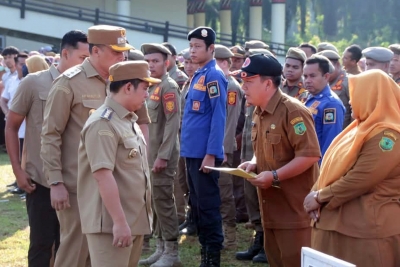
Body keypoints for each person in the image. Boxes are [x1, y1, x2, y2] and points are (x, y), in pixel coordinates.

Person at [40, 25, 150, 267]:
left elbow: (142, 124)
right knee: (75, 254)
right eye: (117, 52)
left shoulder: (126, 79)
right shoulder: (67, 83)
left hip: (119, 186)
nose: (123, 56)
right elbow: (50, 135)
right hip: (78, 187)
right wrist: (55, 181)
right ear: (96, 51)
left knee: (108, 255)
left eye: (124, 52)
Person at [6, 30, 88, 267]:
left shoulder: (88, 86)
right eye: (83, 57)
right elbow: (12, 127)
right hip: (40, 180)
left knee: (71, 246)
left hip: (75, 180)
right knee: (42, 245)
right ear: (65, 53)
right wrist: (18, 172)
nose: (87, 63)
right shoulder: (34, 83)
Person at [304, 70, 400, 267]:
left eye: (356, 94)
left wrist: (320, 196)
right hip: (337, 223)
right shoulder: (359, 128)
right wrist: (315, 192)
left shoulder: (388, 134)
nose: (349, 101)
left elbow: (363, 177)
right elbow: (331, 166)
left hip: (367, 230)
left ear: (372, 95)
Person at [237, 54, 320, 267]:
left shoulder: (293, 111)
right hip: (270, 209)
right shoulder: (258, 111)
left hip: (294, 212)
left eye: (248, 82)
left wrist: (274, 176)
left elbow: (309, 155)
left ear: (267, 83)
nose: (243, 87)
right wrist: (254, 162)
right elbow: (266, 147)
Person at [78, 61, 155, 267]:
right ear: (128, 87)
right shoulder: (103, 123)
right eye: (145, 89)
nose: (147, 95)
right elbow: (103, 175)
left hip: (132, 221)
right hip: (112, 224)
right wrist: (120, 223)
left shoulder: (127, 119)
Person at [180, 26, 227, 266]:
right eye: (191, 46)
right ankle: (205, 255)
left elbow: (218, 117)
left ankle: (212, 257)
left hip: (203, 155)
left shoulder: (214, 75)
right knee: (197, 205)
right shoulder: (199, 74)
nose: (193, 51)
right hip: (192, 152)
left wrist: (211, 154)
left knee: (208, 207)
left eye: (198, 46)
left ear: (211, 49)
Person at [139, 43, 181, 267]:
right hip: (150, 154)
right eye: (147, 61)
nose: (151, 65)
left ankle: (172, 252)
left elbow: (173, 124)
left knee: (164, 201)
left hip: (162, 156)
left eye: (155, 61)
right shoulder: (151, 87)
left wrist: (163, 156)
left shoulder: (168, 87)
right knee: (154, 201)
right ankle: (160, 247)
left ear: (166, 63)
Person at [214, 44, 244, 250]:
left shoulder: (231, 87)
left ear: (224, 62)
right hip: (212, 146)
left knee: (225, 193)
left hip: (224, 148)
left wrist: (224, 149)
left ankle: (230, 237)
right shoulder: (218, 83)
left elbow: (232, 122)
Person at [304, 55, 345, 159]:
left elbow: (330, 144)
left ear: (326, 76)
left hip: (315, 167)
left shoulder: (331, 104)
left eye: (312, 76)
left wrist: (321, 172)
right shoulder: (307, 97)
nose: (307, 80)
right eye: (305, 76)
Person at [177, 48, 198, 236]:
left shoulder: (201, 83)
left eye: (192, 62)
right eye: (186, 63)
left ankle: (196, 221)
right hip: (184, 141)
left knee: (195, 185)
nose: (189, 66)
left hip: (194, 143)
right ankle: (191, 217)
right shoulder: (187, 84)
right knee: (185, 182)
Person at [318, 50, 352, 129]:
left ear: (337, 65)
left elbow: (356, 112)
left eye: (328, 67)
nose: (325, 71)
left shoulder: (348, 81)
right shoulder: (324, 81)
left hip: (342, 132)